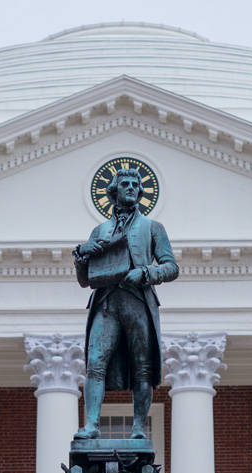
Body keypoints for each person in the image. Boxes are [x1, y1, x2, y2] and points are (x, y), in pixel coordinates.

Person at [73, 168, 178, 440]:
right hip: (106, 302)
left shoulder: (152, 228)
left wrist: (144, 272)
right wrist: (81, 257)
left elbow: (171, 267)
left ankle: (139, 429)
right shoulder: (101, 230)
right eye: (125, 184)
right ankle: (92, 425)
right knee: (95, 363)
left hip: (137, 301)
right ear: (115, 191)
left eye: (135, 184)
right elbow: (85, 280)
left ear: (140, 192)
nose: (131, 187)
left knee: (142, 366)